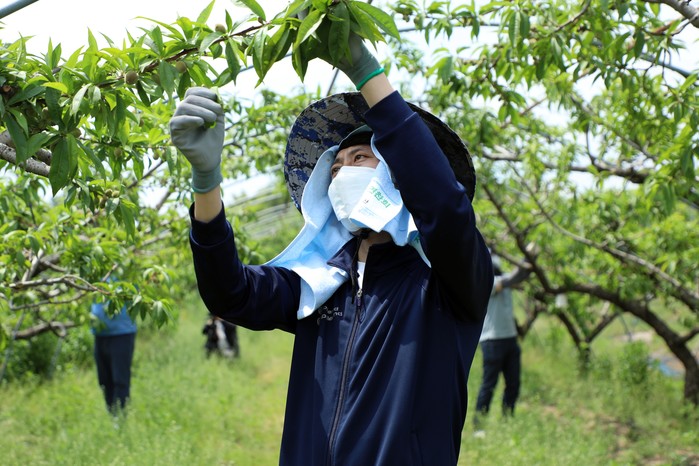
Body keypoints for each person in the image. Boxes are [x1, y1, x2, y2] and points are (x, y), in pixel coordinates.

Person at [170, 32, 493, 465]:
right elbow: (231, 293)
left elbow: (444, 208)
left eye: (360, 159)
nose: (343, 174)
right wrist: (206, 184)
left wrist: (366, 72)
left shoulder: (445, 284)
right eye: (335, 167)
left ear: (398, 176)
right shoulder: (320, 283)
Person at [474, 254, 532, 428]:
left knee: (513, 383)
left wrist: (531, 257)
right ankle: (479, 425)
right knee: (489, 384)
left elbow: (520, 276)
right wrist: (526, 258)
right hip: (492, 340)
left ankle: (508, 419)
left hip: (510, 339)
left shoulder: (505, 280)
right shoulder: (488, 283)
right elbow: (513, 278)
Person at [91, 299, 137, 416]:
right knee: (104, 380)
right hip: (99, 332)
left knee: (120, 380)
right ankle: (112, 414)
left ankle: (120, 417)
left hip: (122, 332)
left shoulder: (128, 284)